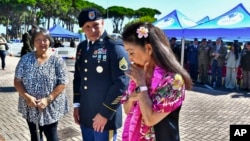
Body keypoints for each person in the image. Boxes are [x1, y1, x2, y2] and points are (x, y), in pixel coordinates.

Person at [120, 22, 192, 141]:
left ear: (148, 48)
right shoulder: (139, 72)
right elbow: (127, 110)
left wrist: (141, 85)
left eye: (131, 52)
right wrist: (132, 97)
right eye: (127, 53)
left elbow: (150, 119)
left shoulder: (173, 81)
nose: (130, 58)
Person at [73, 8, 130, 141]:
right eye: (87, 27)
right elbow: (78, 77)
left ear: (103, 23)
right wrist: (77, 105)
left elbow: (122, 82)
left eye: (95, 25)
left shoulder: (114, 46)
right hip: (86, 114)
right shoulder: (81, 47)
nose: (92, 30)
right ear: (82, 28)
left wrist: (105, 113)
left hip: (105, 116)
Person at [14, 27, 69, 141]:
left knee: (52, 136)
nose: (42, 43)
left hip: (51, 107)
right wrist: (27, 97)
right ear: (33, 42)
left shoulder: (57, 61)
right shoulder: (25, 59)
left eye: (45, 39)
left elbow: (63, 83)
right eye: (38, 40)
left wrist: (48, 99)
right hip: (30, 106)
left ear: (50, 41)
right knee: (35, 137)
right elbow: (17, 81)